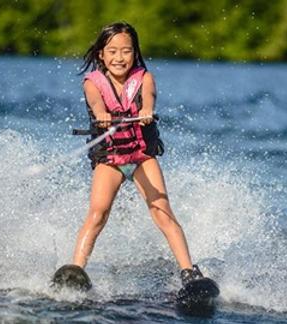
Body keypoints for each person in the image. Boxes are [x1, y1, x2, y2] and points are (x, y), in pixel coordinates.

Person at [57, 22, 208, 288]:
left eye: (126, 51)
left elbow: (148, 97)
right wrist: (102, 114)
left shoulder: (145, 78)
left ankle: (189, 272)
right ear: (101, 54)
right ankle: (76, 270)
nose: (119, 57)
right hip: (111, 159)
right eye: (112, 51)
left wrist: (147, 109)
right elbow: (95, 102)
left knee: (162, 211)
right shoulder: (92, 83)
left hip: (141, 157)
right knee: (98, 213)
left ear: (135, 53)